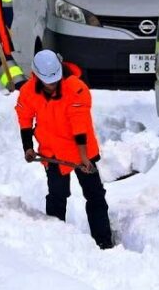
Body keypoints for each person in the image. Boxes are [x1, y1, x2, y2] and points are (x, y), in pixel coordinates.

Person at [16, 50, 114, 250]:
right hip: (52, 152)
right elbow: (24, 116)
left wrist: (84, 157)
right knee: (57, 195)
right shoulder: (29, 91)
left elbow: (80, 125)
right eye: (47, 82)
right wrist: (28, 147)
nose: (52, 86)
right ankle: (56, 241)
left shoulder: (76, 89)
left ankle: (103, 241)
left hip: (82, 150)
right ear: (36, 76)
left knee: (94, 195)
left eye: (55, 81)